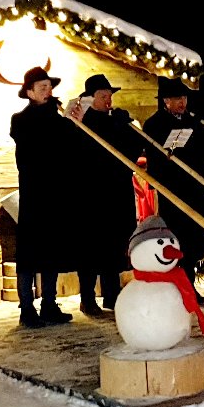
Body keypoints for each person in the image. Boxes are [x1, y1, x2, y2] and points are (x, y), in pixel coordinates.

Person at [142, 76, 204, 304]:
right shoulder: (154, 124)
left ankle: (190, 285)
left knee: (197, 238)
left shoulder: (194, 121)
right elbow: (153, 156)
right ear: (166, 101)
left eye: (185, 97)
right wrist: (169, 152)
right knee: (180, 237)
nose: (182, 102)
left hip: (196, 185)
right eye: (178, 98)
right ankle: (180, 287)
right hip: (174, 188)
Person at [66, 74, 141, 317]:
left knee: (114, 243)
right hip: (91, 194)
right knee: (90, 246)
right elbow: (88, 151)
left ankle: (112, 295)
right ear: (91, 98)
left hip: (116, 192)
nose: (108, 100)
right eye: (103, 96)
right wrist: (115, 126)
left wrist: (126, 126)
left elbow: (131, 152)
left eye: (110, 96)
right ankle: (87, 298)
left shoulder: (115, 121)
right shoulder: (84, 122)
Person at [9, 66, 77, 328]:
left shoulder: (58, 118)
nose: (48, 92)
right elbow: (34, 144)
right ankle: (27, 307)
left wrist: (73, 122)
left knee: (52, 249)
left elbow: (69, 146)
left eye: (50, 87)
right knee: (29, 253)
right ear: (30, 93)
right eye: (42, 88)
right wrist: (58, 121)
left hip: (55, 194)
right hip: (34, 193)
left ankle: (49, 303)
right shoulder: (21, 119)